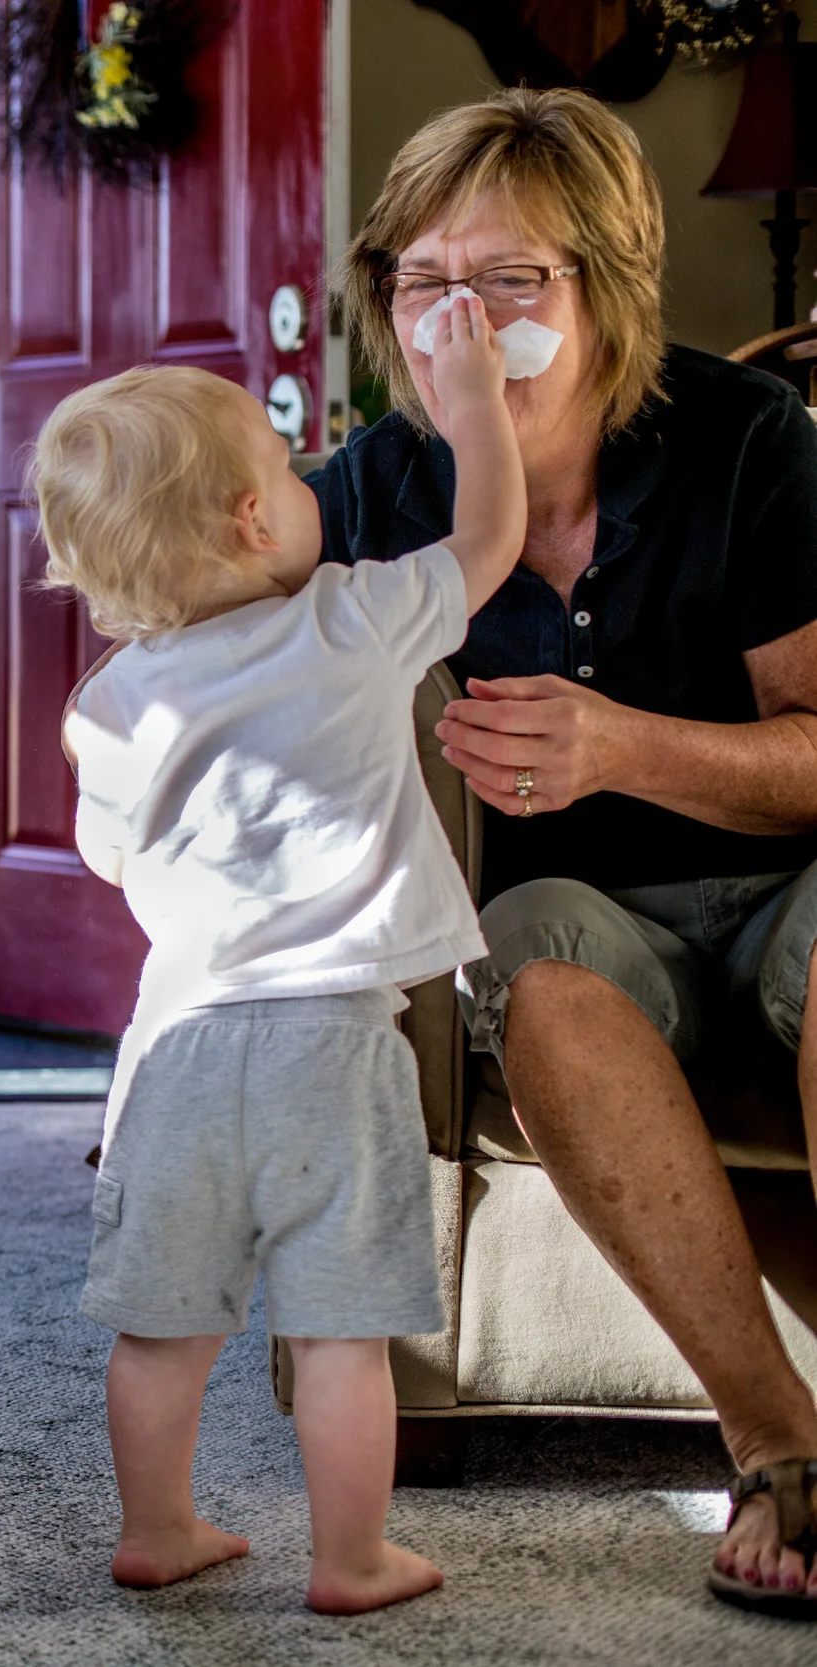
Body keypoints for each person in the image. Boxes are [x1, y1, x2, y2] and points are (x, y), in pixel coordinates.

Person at [317, 87, 817, 1618]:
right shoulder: (383, 484)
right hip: (592, 931)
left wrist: (618, 744)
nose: (461, 322)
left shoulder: (749, 440)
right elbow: (209, 630)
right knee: (531, 958)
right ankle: (781, 1443)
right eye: (423, 283)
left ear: (604, 286)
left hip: (794, 883)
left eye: (510, 281)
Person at [41, 302, 525, 1611]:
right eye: (289, 466)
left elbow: (103, 857)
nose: (314, 484)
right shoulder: (351, 621)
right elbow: (487, 541)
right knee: (337, 1331)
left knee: (165, 1321)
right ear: (258, 520)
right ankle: (353, 1556)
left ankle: (157, 1525)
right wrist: (471, 395)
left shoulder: (110, 704)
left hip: (181, 1050)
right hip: (333, 1042)